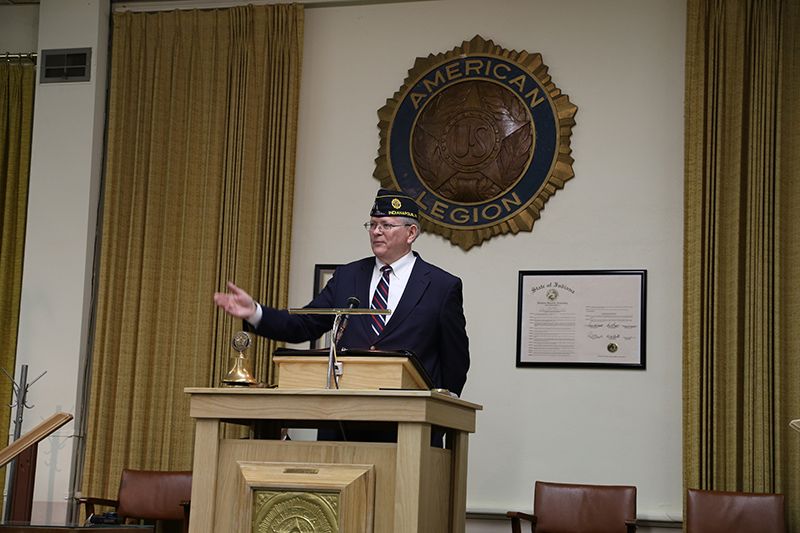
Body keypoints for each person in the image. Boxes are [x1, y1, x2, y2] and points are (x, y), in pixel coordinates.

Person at [214, 188, 470, 397]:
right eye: (372, 224)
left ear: (411, 233)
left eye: (386, 225)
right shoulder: (347, 276)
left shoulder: (441, 286)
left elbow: (455, 363)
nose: (376, 231)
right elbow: (304, 325)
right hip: (343, 418)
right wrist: (255, 312)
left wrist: (441, 414)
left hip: (409, 425)